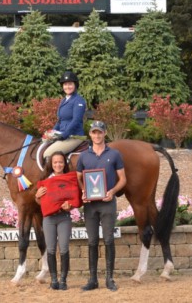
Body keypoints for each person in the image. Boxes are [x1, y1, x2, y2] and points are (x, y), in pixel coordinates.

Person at [76, 120, 126, 292]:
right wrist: (83, 191)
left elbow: (123, 179)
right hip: (90, 206)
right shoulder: (83, 156)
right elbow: (79, 178)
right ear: (90, 134)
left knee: (109, 239)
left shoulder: (115, 154)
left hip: (107, 203)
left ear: (105, 133)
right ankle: (92, 279)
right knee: (91, 241)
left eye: (100, 132)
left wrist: (112, 191)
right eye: (94, 132)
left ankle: (109, 279)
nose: (97, 135)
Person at [35, 152, 81, 290]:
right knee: (50, 249)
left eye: (60, 162)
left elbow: (75, 197)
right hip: (49, 219)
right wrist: (37, 196)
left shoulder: (70, 179)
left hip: (64, 217)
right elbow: (41, 202)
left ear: (64, 164)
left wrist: (70, 206)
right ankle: (53, 280)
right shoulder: (45, 179)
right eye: (55, 162)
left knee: (64, 248)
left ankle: (63, 281)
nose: (58, 165)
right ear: (51, 164)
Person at [43, 71, 86, 160]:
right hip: (62, 134)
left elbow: (76, 120)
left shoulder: (79, 101)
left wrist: (64, 134)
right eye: (65, 84)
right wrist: (52, 132)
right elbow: (60, 120)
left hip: (74, 136)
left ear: (75, 85)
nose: (67, 87)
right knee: (43, 143)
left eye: (70, 84)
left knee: (47, 154)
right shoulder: (63, 100)